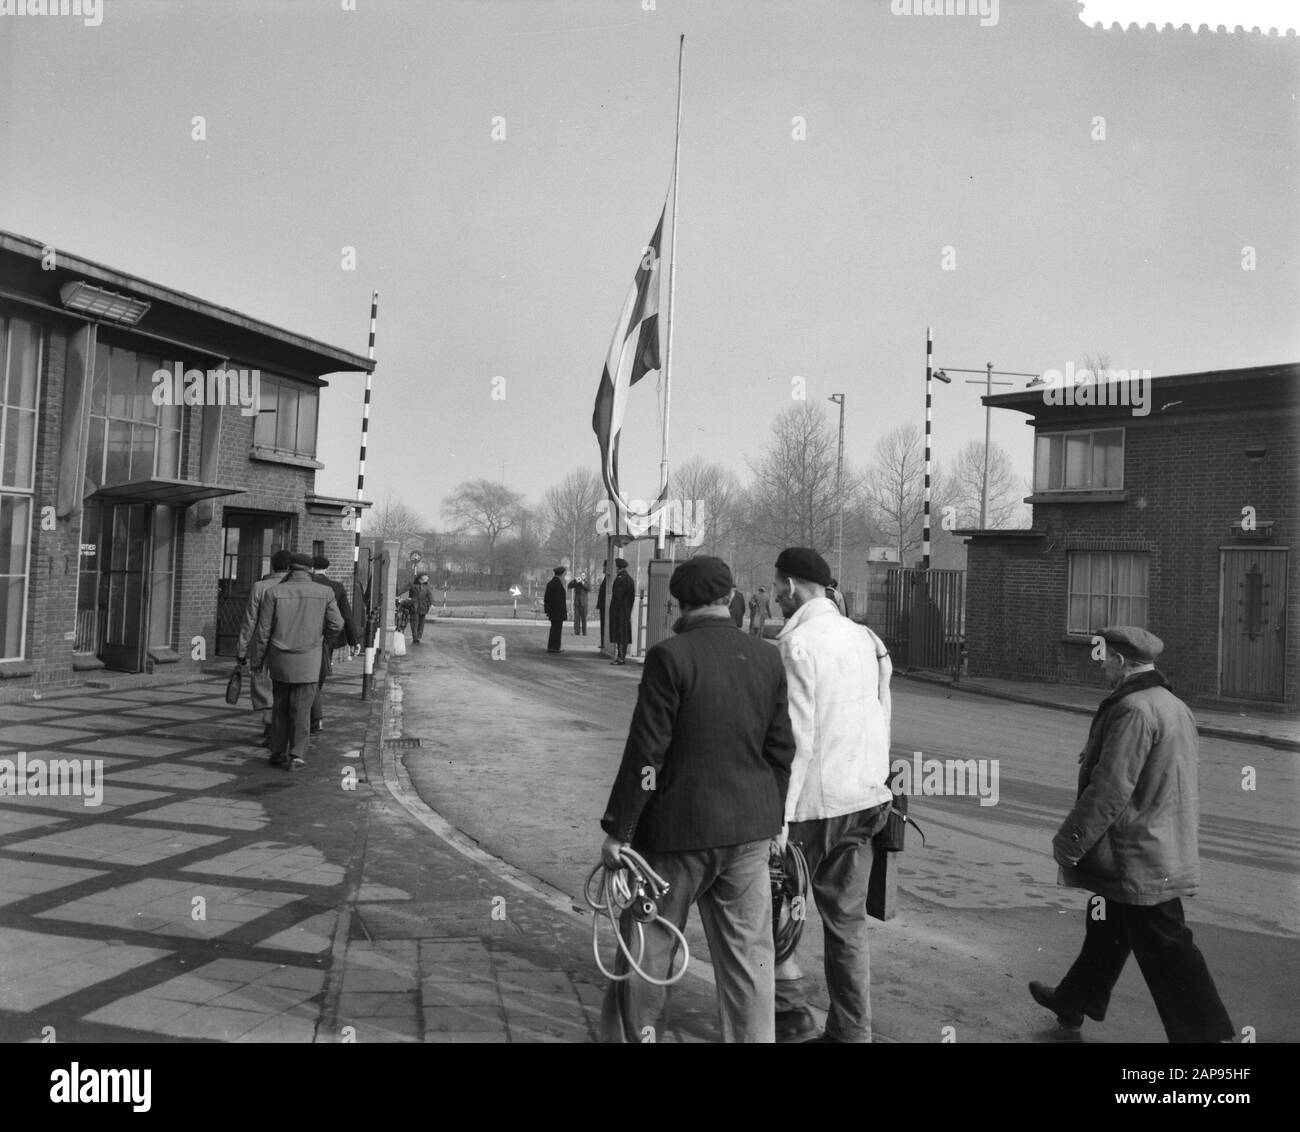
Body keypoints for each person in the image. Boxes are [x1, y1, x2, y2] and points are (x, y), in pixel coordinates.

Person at [597, 556, 795, 1043]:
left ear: (676, 604)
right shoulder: (767, 657)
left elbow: (648, 755)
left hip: (674, 838)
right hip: (748, 833)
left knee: (650, 946)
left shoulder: (671, 657)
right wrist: (772, 819)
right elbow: (781, 751)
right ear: (730, 599)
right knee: (750, 958)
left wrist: (619, 832)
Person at [1030, 626, 1235, 1044]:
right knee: (1107, 922)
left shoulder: (1133, 710)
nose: (1102, 666)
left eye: (1105, 659)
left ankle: (1206, 1036)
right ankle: (1073, 999)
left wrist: (1070, 842)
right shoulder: (1172, 704)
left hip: (1138, 851)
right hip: (1158, 840)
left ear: (1121, 662)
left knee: (1166, 943)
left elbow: (1110, 787)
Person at [771, 547, 894, 1043]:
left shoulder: (797, 644)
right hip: (865, 799)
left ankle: (787, 1011)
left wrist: (779, 820)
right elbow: (883, 716)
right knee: (847, 922)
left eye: (778, 585)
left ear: (794, 586)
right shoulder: (866, 637)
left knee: (777, 912)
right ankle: (852, 1032)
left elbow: (796, 739)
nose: (775, 594)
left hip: (812, 808)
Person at [248, 552, 343, 772]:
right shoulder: (325, 592)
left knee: (280, 705)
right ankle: (297, 754)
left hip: (280, 659)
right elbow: (337, 624)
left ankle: (278, 751)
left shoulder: (274, 592)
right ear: (310, 570)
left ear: (291, 568)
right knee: (302, 708)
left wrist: (258, 659)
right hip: (309, 660)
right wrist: (323, 641)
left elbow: (263, 631)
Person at [237, 548, 292, 746]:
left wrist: (242, 649)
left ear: (273, 566)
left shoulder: (259, 587)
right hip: (288, 645)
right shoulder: (294, 588)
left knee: (264, 685)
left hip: (263, 645)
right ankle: (279, 729)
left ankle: (270, 725)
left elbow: (249, 620)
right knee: (284, 686)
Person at [310, 555, 360, 735]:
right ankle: (314, 712)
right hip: (327, 638)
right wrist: (354, 641)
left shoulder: (306, 584)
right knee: (318, 674)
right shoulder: (337, 587)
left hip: (307, 635)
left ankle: (312, 713)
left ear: (311, 568)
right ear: (327, 569)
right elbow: (346, 616)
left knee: (308, 678)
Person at [609, 558, 635, 665]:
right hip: (626, 610)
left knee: (620, 635)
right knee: (624, 634)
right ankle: (621, 656)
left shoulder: (620, 579)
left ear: (619, 568)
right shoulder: (629, 579)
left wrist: (614, 611)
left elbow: (617, 597)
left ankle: (620, 657)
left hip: (619, 611)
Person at [544, 566, 568, 653]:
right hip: (557, 611)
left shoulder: (551, 583)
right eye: (564, 574)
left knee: (554, 628)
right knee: (557, 629)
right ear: (561, 574)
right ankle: (555, 647)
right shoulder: (557, 584)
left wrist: (547, 610)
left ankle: (551, 646)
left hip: (552, 611)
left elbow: (546, 598)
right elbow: (557, 600)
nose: (565, 575)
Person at [568, 572, 591, 636]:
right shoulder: (576, 582)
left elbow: (589, 589)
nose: (582, 577)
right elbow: (569, 586)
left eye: (583, 575)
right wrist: (574, 580)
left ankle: (584, 632)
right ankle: (577, 631)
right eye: (581, 575)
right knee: (576, 618)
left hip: (584, 603)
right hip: (577, 603)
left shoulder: (586, 583)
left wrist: (582, 583)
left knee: (584, 618)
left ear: (585, 576)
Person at [597, 572, 607, 649]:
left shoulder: (607, 579)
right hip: (602, 606)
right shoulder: (605, 578)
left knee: (604, 625)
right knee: (603, 625)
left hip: (604, 605)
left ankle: (604, 642)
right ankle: (603, 642)